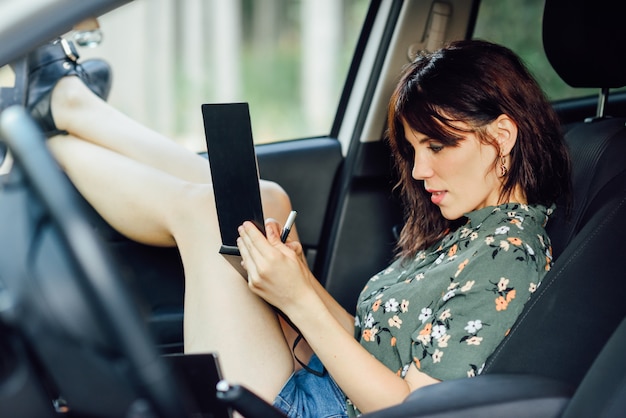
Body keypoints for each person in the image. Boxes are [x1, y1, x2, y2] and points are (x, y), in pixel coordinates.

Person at [9, 38, 571, 417]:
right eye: (414, 149)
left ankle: (52, 131)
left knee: (203, 214)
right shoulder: (472, 226)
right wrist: (300, 280)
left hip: (319, 410)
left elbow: (409, 408)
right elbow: (380, 343)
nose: (420, 171)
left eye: (437, 146)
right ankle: (63, 117)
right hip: (327, 379)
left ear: (501, 135)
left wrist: (299, 301)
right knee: (267, 200)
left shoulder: (508, 254)